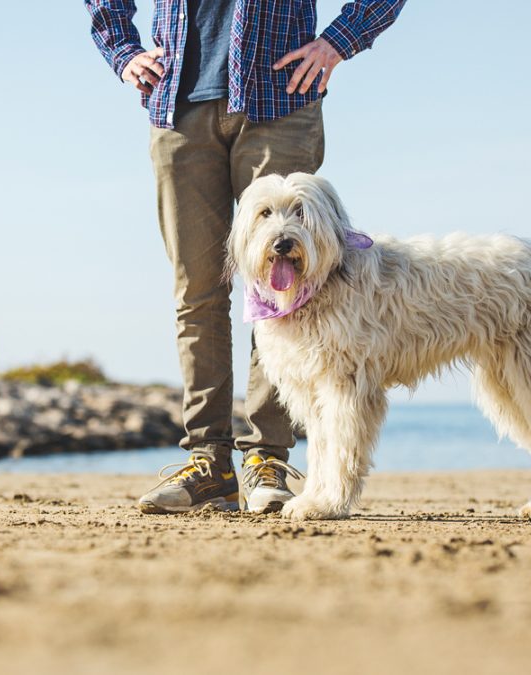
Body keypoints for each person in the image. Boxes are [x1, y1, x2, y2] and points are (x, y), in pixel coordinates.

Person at [85, 0, 406, 514]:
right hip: (178, 104)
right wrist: (122, 49)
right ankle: (209, 464)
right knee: (197, 292)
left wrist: (340, 41)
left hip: (280, 99)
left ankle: (266, 459)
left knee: (293, 289)